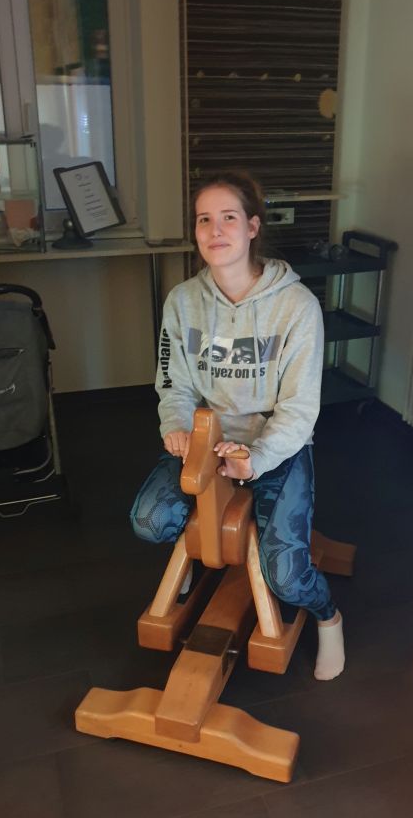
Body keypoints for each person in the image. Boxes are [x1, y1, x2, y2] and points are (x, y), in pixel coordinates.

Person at [131, 170, 345, 680]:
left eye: (228, 217)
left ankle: (329, 619)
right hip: (206, 442)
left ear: (252, 227)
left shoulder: (296, 306)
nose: (215, 230)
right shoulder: (183, 300)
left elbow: (300, 409)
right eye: (204, 219)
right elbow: (174, 384)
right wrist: (176, 426)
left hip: (276, 447)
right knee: (149, 522)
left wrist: (257, 458)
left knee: (287, 578)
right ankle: (196, 564)